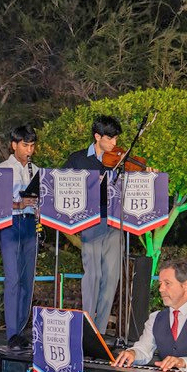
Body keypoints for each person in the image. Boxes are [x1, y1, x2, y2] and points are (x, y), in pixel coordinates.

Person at [63, 115, 124, 333]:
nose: (114, 143)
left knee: (111, 277)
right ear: (97, 137)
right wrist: (88, 184)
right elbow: (62, 186)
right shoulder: (78, 159)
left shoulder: (119, 161)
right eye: (110, 138)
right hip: (91, 221)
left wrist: (147, 174)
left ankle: (100, 331)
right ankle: (87, 328)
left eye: (116, 139)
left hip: (115, 221)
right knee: (93, 275)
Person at [0, 124, 40, 349]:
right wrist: (19, 204)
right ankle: (12, 333)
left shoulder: (36, 170)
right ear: (14, 145)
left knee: (26, 280)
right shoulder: (2, 170)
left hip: (30, 223)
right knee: (12, 279)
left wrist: (39, 206)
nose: (29, 150)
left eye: (32, 146)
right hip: (11, 225)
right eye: (25, 145)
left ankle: (22, 329)